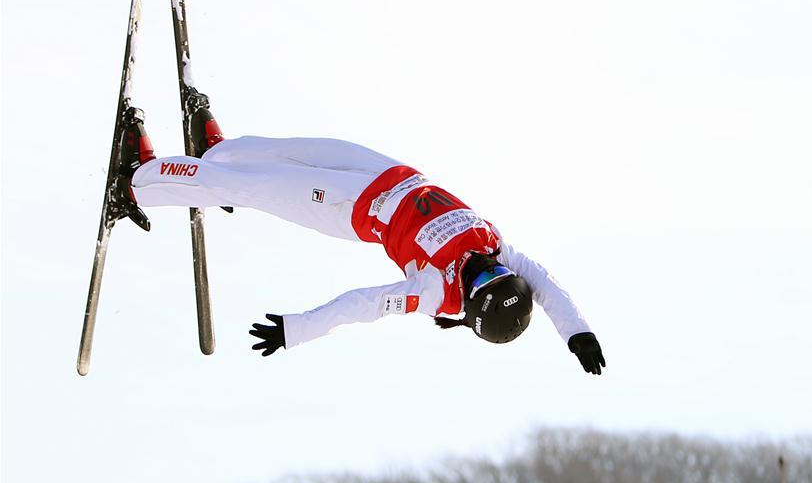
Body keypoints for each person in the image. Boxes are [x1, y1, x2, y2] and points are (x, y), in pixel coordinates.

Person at [112, 90, 606, 375]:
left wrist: (299, 329)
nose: (485, 268)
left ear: (470, 302)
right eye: (497, 273)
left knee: (253, 187)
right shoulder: (496, 251)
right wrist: (578, 333)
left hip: (347, 207)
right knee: (291, 149)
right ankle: (216, 151)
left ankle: (138, 182)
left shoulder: (434, 292)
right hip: (388, 173)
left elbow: (365, 305)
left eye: (482, 282)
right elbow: (546, 285)